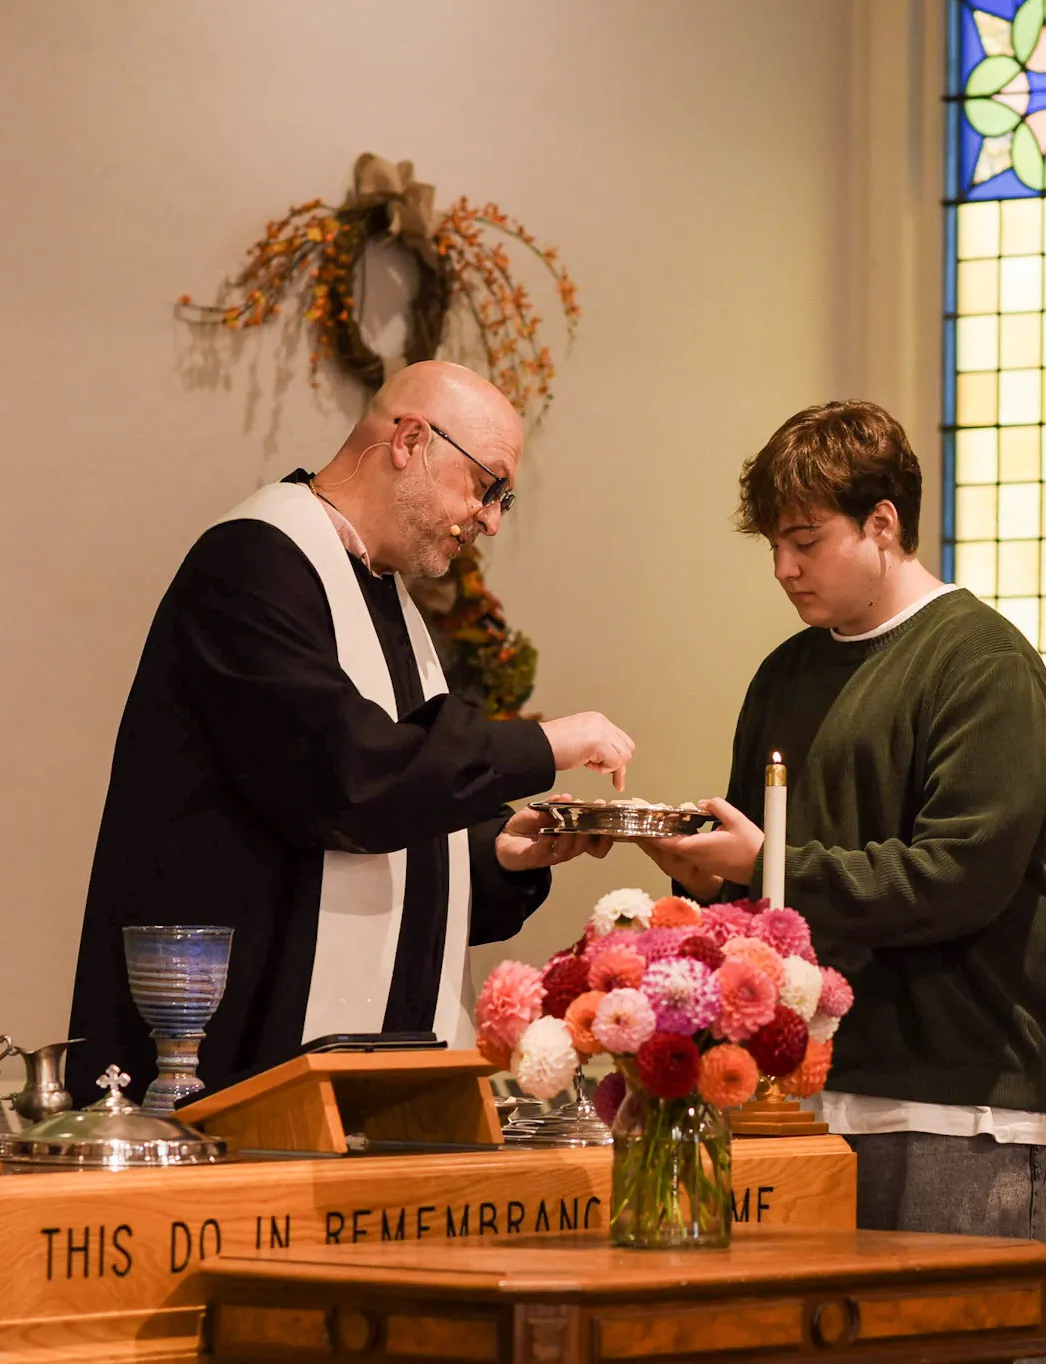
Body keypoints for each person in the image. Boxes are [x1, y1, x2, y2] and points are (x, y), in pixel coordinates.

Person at [67, 361, 632, 1103]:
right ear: (409, 440)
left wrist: (500, 853)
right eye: (487, 486)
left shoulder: (382, 596)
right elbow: (346, 778)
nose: (491, 519)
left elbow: (388, 820)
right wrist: (542, 744)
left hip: (348, 1069)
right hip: (234, 1053)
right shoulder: (251, 564)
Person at [641, 400, 1046, 1245]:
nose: (783, 567)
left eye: (806, 541)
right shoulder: (787, 672)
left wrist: (768, 861)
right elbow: (757, 876)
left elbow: (959, 878)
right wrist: (705, 874)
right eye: (773, 545)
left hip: (953, 1092)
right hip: (798, 1089)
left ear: (882, 523)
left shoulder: (981, 663)